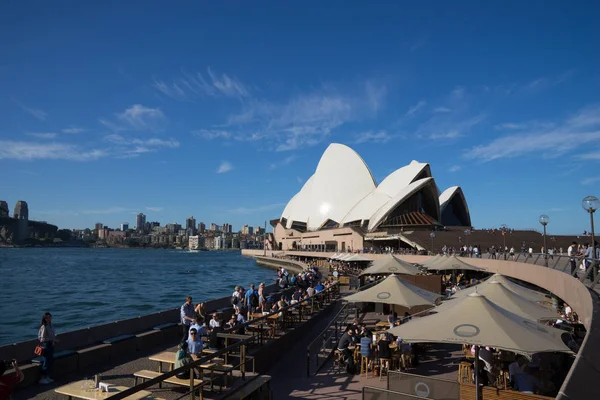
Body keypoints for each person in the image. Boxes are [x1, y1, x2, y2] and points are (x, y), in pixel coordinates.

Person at [38, 312, 58, 384]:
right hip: (46, 345)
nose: (49, 319)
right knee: (46, 361)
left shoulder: (51, 325)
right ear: (44, 319)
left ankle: (47, 376)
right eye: (47, 318)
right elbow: (42, 339)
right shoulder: (44, 326)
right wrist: (52, 339)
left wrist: (54, 339)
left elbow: (52, 334)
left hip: (51, 345)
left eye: (50, 317)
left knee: (50, 361)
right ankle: (42, 378)